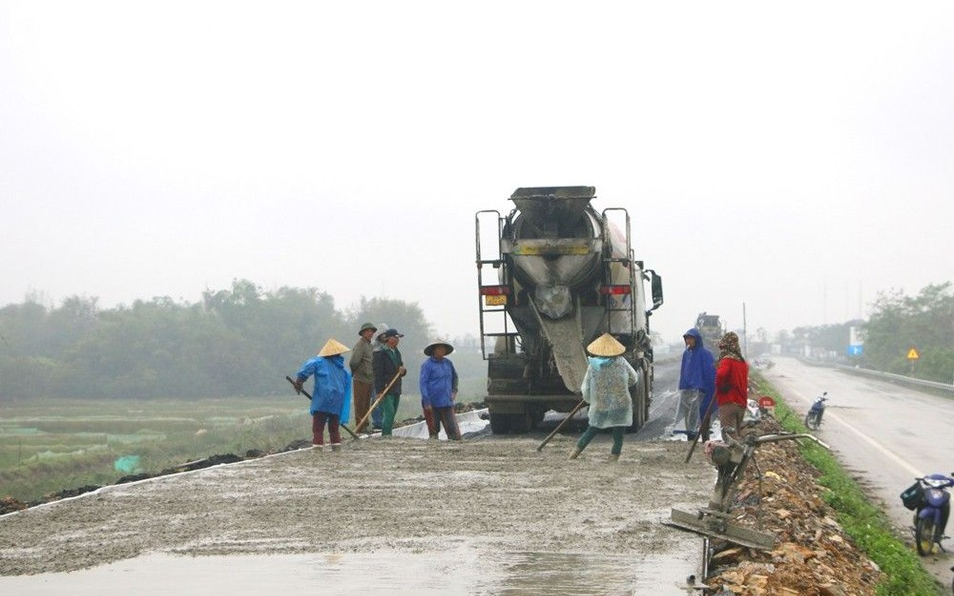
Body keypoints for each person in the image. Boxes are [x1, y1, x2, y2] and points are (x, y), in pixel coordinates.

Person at [569, 333, 638, 461]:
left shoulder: (593, 365)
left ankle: (574, 453)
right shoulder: (621, 362)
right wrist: (621, 386)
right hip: (620, 402)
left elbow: (586, 387)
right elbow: (633, 378)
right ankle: (614, 456)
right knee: (618, 430)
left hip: (601, 403)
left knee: (593, 427)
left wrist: (591, 399)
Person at [294, 338, 353, 451]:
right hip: (337, 401)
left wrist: (299, 381)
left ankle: (317, 449)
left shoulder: (319, 362)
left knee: (318, 427)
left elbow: (306, 369)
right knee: (334, 428)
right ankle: (336, 449)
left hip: (322, 400)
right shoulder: (342, 369)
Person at [676, 328, 716, 441]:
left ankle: (695, 433)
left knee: (695, 411)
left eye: (691, 338)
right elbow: (683, 370)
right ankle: (689, 432)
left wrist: (706, 386)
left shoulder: (705, 354)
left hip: (699, 388)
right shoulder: (686, 353)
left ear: (696, 339)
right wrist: (682, 385)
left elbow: (710, 371)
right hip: (687, 388)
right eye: (687, 339)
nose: (688, 341)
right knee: (686, 411)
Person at [419, 339, 462, 441]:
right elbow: (423, 383)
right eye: (439, 348)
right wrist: (427, 401)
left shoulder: (448, 363)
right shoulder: (427, 365)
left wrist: (454, 391)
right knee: (434, 429)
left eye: (443, 349)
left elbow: (455, 377)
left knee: (453, 430)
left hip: (447, 401)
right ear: (434, 350)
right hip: (432, 403)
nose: (442, 351)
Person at [714, 331, 748, 441]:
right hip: (741, 404)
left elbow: (720, 374)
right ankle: (740, 456)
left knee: (729, 436)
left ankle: (733, 457)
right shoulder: (742, 363)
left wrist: (720, 386)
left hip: (728, 402)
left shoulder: (727, 360)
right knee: (737, 434)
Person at [372, 328, 407, 436]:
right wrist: (378, 391)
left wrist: (403, 371)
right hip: (386, 388)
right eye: (395, 337)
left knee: (393, 413)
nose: (397, 340)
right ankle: (386, 436)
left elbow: (401, 368)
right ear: (388, 339)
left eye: (398, 338)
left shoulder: (397, 352)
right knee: (389, 413)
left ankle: (388, 434)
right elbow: (378, 374)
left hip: (396, 387)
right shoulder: (380, 354)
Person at [349, 323, 377, 433]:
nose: (370, 333)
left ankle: (365, 425)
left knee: (366, 404)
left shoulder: (370, 345)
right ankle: (360, 428)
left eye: (371, 331)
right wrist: (357, 373)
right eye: (367, 331)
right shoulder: (360, 344)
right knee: (360, 405)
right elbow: (353, 362)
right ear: (363, 333)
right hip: (360, 379)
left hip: (369, 379)